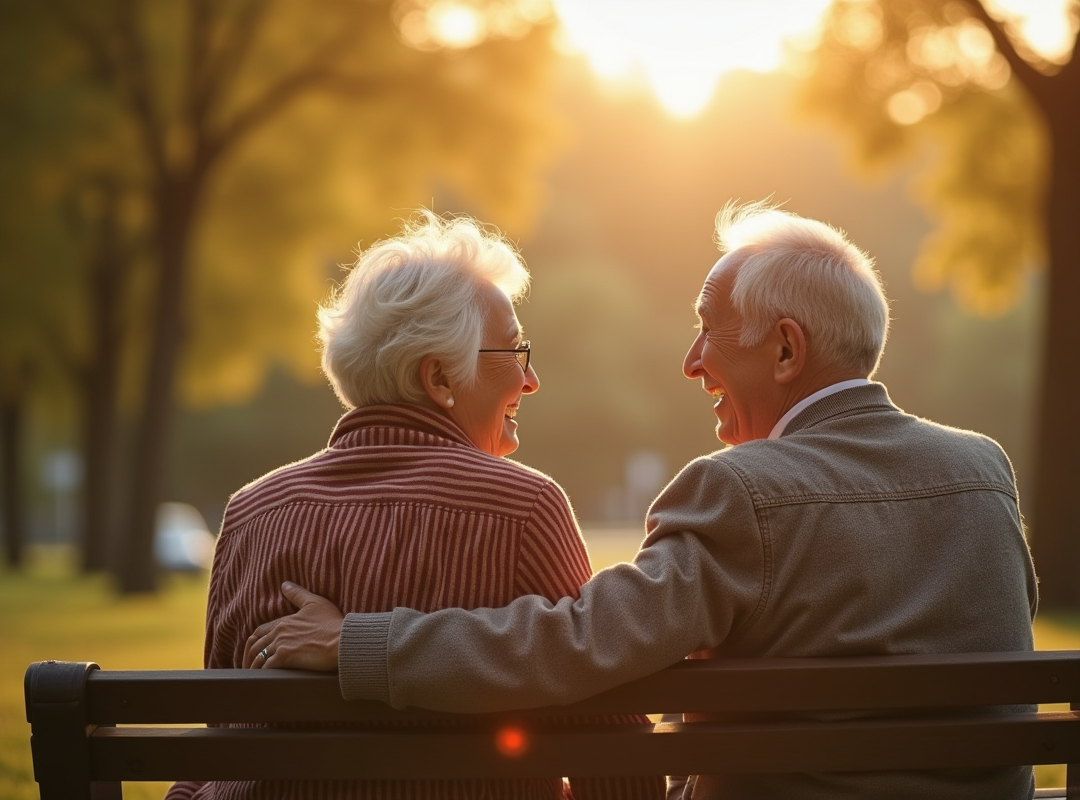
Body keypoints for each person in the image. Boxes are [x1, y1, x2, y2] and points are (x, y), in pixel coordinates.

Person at [249, 201, 1040, 800]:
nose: (692, 362)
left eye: (710, 330)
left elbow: (572, 646)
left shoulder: (739, 493)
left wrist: (359, 642)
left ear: (788, 349)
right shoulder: (985, 473)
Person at [166, 212, 663, 800]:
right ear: (440, 378)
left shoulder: (252, 515)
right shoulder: (523, 511)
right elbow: (608, 744)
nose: (531, 380)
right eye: (514, 352)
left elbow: (219, 735)